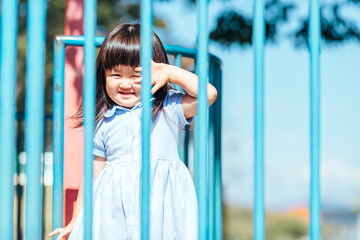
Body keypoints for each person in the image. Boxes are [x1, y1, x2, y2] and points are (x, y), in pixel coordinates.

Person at [48, 23, 217, 240]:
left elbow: (209, 94)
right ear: (104, 76)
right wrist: (76, 218)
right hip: (113, 210)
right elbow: (92, 174)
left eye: (136, 75)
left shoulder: (168, 107)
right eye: (116, 75)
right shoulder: (104, 120)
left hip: (160, 208)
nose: (125, 84)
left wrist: (170, 72)